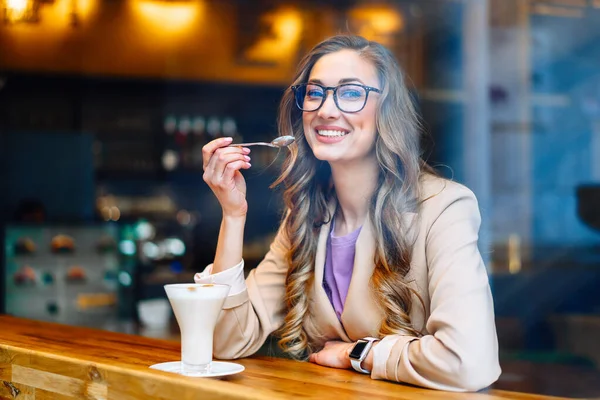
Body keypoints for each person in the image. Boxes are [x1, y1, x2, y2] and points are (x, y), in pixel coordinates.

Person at [197, 35, 500, 392]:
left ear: (387, 110)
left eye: (351, 93)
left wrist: (357, 355)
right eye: (315, 93)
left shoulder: (444, 208)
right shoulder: (306, 215)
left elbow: (468, 362)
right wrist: (233, 215)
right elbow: (226, 343)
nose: (326, 109)